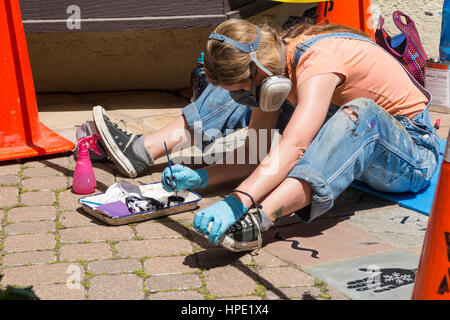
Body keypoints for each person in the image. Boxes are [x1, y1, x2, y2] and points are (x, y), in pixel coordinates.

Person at [92, 18, 440, 253]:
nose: (239, 97)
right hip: (351, 137)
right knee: (241, 94)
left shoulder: (316, 63)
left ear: (261, 74)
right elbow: (257, 150)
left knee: (360, 112)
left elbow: (294, 147)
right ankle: (144, 150)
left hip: (408, 152)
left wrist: (239, 201)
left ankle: (259, 220)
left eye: (243, 87)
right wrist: (202, 176)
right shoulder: (272, 66)